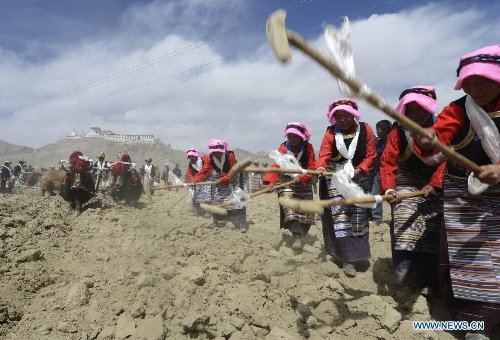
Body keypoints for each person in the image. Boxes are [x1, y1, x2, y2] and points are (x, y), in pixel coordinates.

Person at [412, 45, 500, 340]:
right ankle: (472, 325)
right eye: (469, 83)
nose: (476, 89)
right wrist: (428, 140)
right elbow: (437, 145)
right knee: (465, 261)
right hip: (464, 196)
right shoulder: (457, 110)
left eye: (483, 81)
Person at [380, 86, 446, 296]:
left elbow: (447, 160)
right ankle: (408, 276)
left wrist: (435, 184)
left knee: (432, 223)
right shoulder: (398, 131)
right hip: (406, 177)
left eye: (420, 109)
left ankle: (431, 278)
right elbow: (388, 161)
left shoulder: (443, 127)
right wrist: (390, 189)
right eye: (410, 110)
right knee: (404, 216)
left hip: (436, 178)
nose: (415, 115)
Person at [316, 98, 376, 277]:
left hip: (357, 176)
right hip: (335, 179)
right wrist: (320, 167)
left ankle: (359, 254)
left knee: (359, 217)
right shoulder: (330, 133)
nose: (343, 120)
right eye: (339, 116)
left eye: (346, 115)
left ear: (354, 115)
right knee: (341, 219)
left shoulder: (366, 130)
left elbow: (371, 155)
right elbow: (324, 154)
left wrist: (360, 169)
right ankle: (347, 258)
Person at [263, 122, 317, 250]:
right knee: (288, 204)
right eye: (290, 136)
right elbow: (277, 166)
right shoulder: (283, 147)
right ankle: (296, 234)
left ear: (302, 137)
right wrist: (271, 183)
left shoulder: (308, 148)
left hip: (303, 180)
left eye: (295, 137)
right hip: (286, 180)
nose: (292, 139)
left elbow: (311, 167)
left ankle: (301, 232)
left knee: (306, 209)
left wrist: (302, 177)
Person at [191, 139, 248, 233]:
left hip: (233, 176)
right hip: (218, 178)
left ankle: (241, 222)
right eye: (214, 153)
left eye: (218, 153)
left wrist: (222, 180)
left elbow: (232, 170)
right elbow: (205, 169)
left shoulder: (230, 155)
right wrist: (195, 180)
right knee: (217, 199)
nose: (216, 155)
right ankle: (216, 221)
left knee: (237, 198)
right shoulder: (211, 157)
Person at [369, 120, 392, 225]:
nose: (377, 131)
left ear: (385, 130)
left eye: (378, 129)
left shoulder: (393, 141)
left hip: (391, 172)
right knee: (375, 194)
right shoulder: (380, 142)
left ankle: (396, 217)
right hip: (379, 172)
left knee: (392, 195)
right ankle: (377, 218)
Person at [186, 148, 211, 216]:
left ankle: (208, 211)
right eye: (190, 156)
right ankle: (199, 211)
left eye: (192, 156)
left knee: (207, 194)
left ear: (196, 155)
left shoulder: (204, 160)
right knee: (196, 195)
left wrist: (198, 179)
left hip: (207, 178)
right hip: (196, 180)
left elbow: (207, 170)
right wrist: (192, 181)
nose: (191, 158)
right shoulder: (190, 164)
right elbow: (190, 173)